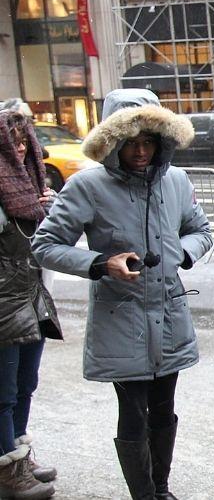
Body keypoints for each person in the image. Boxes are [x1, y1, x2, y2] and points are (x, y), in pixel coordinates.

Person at [32, 89, 212, 500]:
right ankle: (143, 495)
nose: (141, 151)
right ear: (113, 142)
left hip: (169, 315)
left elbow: (200, 230)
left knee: (164, 408)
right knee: (133, 412)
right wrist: (99, 263)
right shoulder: (87, 186)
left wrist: (182, 254)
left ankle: (161, 488)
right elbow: (45, 245)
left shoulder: (177, 181)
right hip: (121, 317)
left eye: (149, 141)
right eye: (131, 142)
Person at [0, 110, 60, 499]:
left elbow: (49, 242)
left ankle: (19, 454)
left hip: (33, 296)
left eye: (26, 141)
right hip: (4, 301)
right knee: (3, 391)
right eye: (14, 141)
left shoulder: (34, 184)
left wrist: (48, 207)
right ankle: (7, 467)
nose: (21, 149)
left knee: (26, 384)